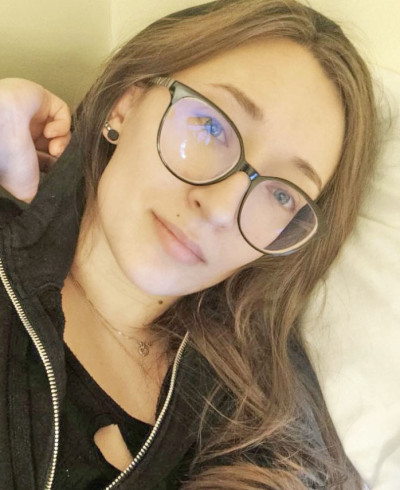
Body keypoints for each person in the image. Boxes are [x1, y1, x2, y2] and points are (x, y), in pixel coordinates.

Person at [0, 0, 380, 488]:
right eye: (210, 127)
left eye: (282, 194)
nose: (221, 208)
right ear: (126, 105)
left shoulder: (265, 422)